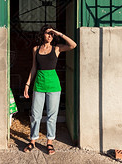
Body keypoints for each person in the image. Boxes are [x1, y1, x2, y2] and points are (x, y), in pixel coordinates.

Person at [23, 25, 77, 155]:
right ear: (42, 35)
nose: (50, 36)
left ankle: (49, 142)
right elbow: (34, 68)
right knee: (36, 115)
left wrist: (59, 33)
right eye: (48, 33)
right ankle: (33, 140)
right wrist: (27, 85)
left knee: (52, 116)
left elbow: (73, 45)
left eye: (52, 34)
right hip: (39, 86)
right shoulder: (36, 49)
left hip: (53, 86)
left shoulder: (57, 49)